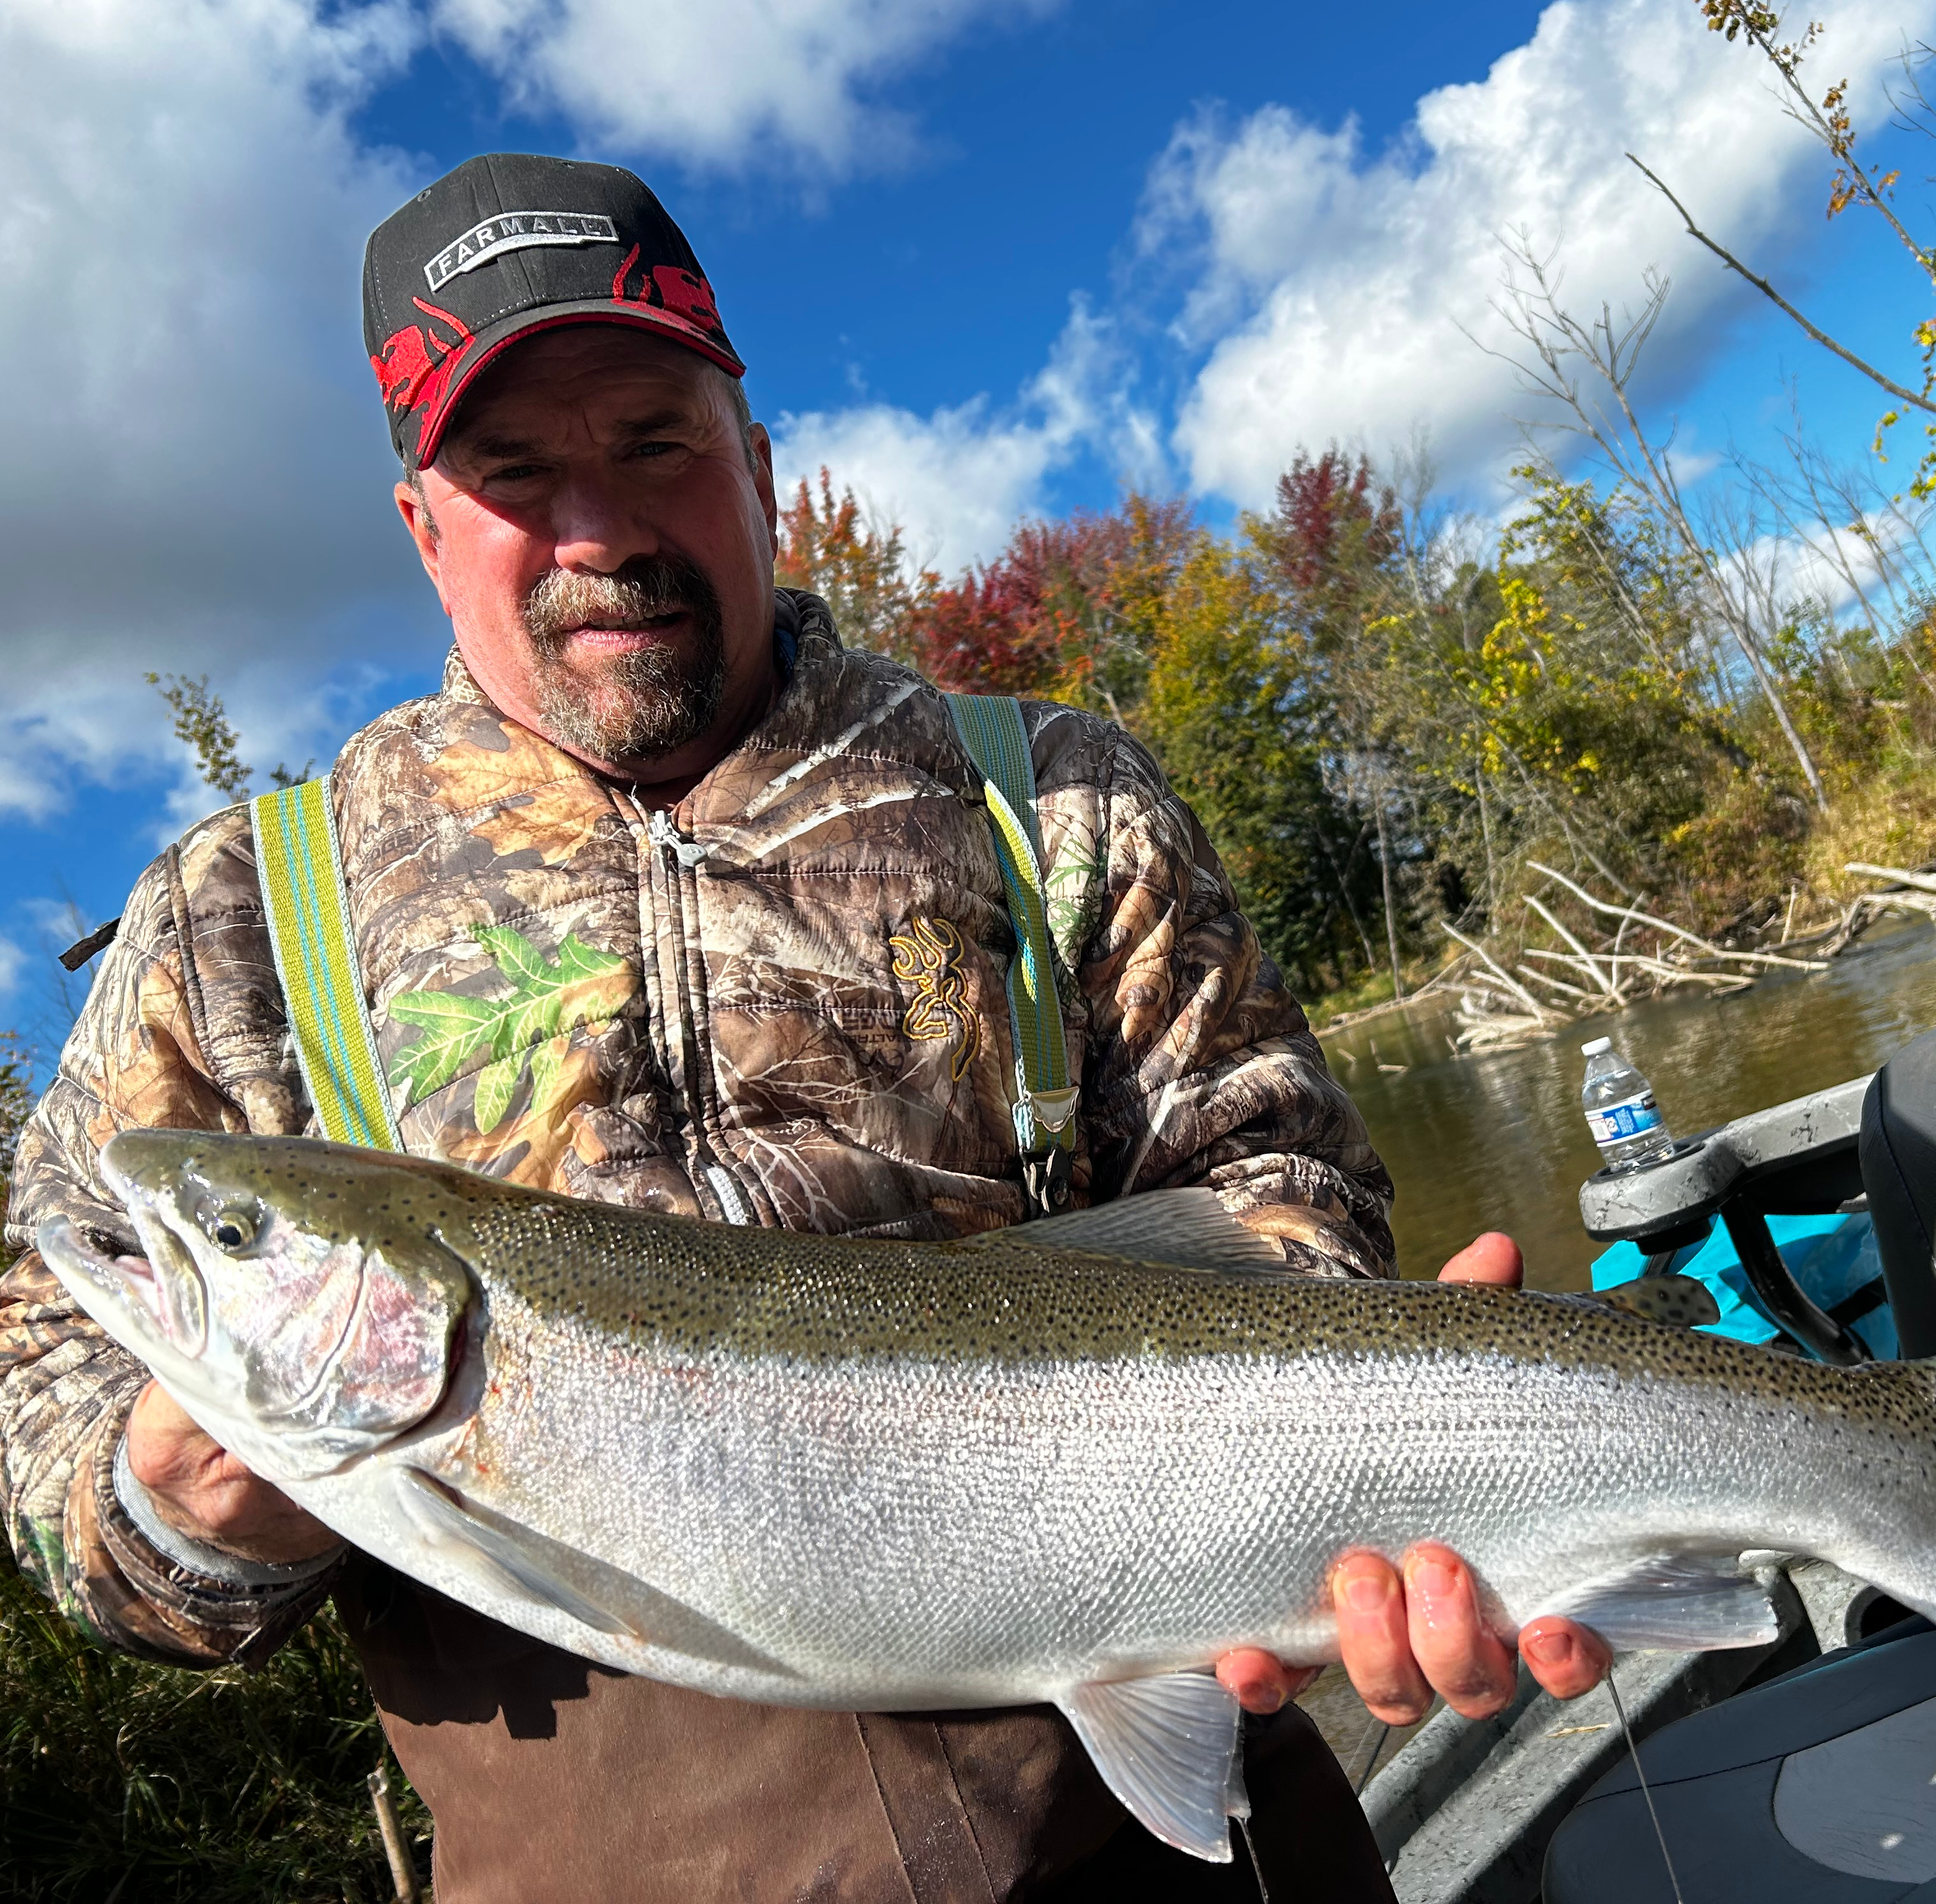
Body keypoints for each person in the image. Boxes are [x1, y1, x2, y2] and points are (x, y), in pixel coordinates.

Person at [0, 154, 1606, 1903]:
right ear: (422, 528)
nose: (602, 530)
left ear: (760, 471)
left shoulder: (1048, 799)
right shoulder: (238, 919)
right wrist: (169, 1514)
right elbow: (53, 1431)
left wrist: (1360, 1476)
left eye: (657, 443)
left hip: (1171, 1820)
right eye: (520, 473)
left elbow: (1281, 1192)